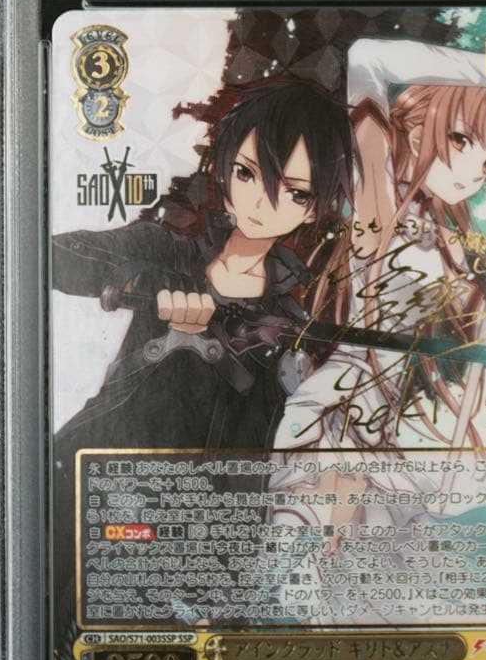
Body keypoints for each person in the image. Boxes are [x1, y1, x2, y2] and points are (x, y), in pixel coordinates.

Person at [266, 38, 486, 625]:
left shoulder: (463, 248)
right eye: (462, 140)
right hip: (347, 400)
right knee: (304, 553)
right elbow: (368, 58)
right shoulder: (380, 192)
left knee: (366, 594)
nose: (474, 172)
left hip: (413, 427)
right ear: (415, 123)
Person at [52, 76, 358, 453]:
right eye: (246, 173)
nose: (261, 202)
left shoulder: (289, 323)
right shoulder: (163, 250)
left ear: (313, 210)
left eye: (295, 193)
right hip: (103, 463)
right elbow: (57, 257)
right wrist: (148, 282)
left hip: (201, 485)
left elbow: (258, 447)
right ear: (224, 165)